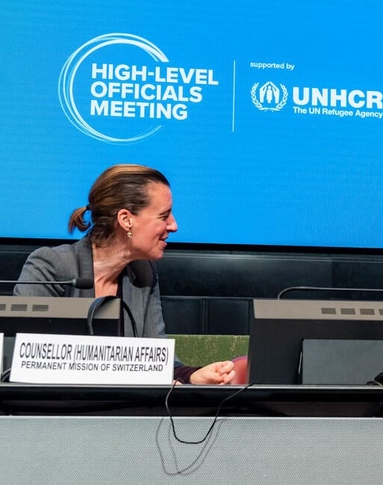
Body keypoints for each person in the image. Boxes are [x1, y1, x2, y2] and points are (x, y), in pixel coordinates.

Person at [14, 164, 236, 385]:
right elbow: (26, 360)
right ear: (126, 219)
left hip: (125, 416)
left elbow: (157, 359)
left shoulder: (143, 273)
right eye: (164, 216)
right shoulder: (51, 266)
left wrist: (192, 377)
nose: (174, 225)